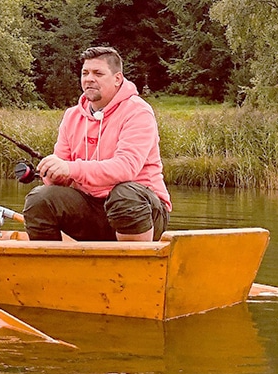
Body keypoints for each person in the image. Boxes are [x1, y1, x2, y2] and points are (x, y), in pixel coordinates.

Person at [23, 46, 171, 241]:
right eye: (85, 73)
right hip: (92, 207)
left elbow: (126, 168)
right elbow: (64, 176)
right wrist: (52, 173)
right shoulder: (71, 116)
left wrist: (70, 168)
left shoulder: (138, 112)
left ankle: (133, 267)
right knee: (39, 199)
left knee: (124, 195)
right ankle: (52, 268)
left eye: (98, 73)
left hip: (144, 210)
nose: (89, 78)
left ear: (117, 79)